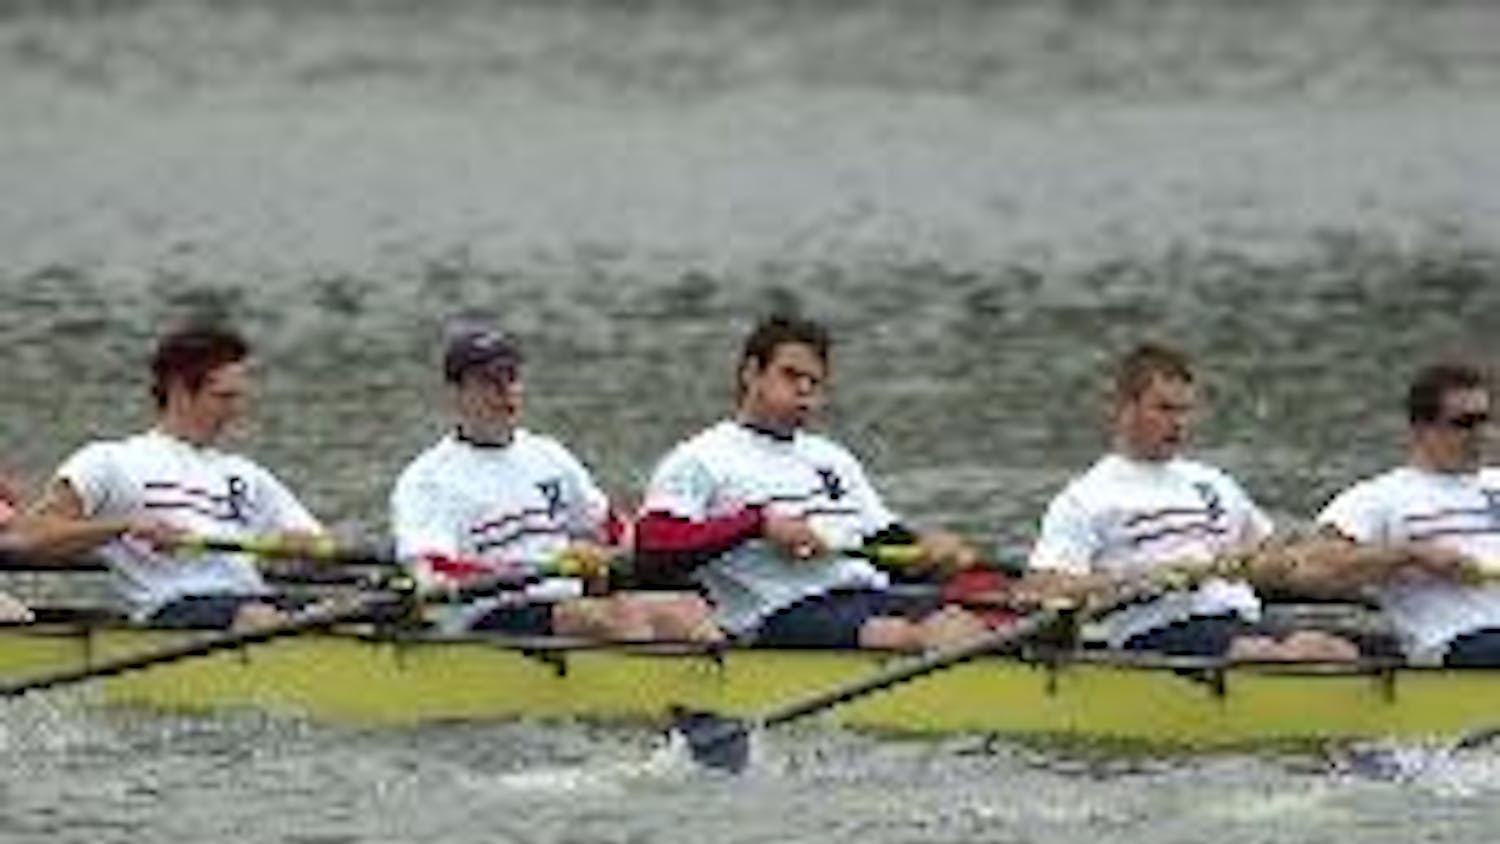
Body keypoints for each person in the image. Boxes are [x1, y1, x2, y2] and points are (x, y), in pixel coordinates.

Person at [634, 313, 986, 651]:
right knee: (903, 636)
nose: (804, 390)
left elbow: (883, 540)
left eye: (814, 382)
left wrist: (932, 553)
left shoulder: (832, 458)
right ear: (751, 373)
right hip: (780, 612)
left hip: (864, 595)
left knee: (962, 622)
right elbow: (652, 546)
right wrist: (758, 524)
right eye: (791, 375)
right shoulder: (700, 459)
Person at [1019, 343, 1356, 660]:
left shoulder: (1212, 482)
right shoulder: (1087, 498)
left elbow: (1278, 560)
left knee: (1335, 648)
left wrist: (1269, 564)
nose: (1178, 423)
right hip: (1156, 633)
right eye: (1164, 409)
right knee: (1279, 654)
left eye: (1185, 410)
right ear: (1124, 408)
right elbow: (1038, 591)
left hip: (1239, 622)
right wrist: (1141, 577)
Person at [391, 320, 719, 642]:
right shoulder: (427, 480)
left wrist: (616, 555)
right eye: (488, 381)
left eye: (512, 378)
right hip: (488, 612)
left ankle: (725, 689)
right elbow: (432, 573)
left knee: (687, 609)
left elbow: (613, 530)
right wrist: (545, 566)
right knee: (620, 618)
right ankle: (642, 693)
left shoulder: (548, 456)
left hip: (563, 602)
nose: (505, 392)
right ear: (456, 393)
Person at [29, 325, 328, 629]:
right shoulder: (109, 461)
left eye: (238, 398)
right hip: (174, 607)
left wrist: (300, 545)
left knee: (351, 611)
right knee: (260, 619)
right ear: (178, 390)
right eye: (223, 397)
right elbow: (33, 536)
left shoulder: (247, 475)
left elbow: (317, 544)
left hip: (252, 600)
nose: (236, 411)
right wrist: (124, 527)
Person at [1313, 362, 1500, 666]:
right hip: (1454, 640)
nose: (1481, 433)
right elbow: (1314, 566)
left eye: (1486, 420)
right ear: (1422, 428)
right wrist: (1411, 555)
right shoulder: (1381, 497)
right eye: (1465, 423)